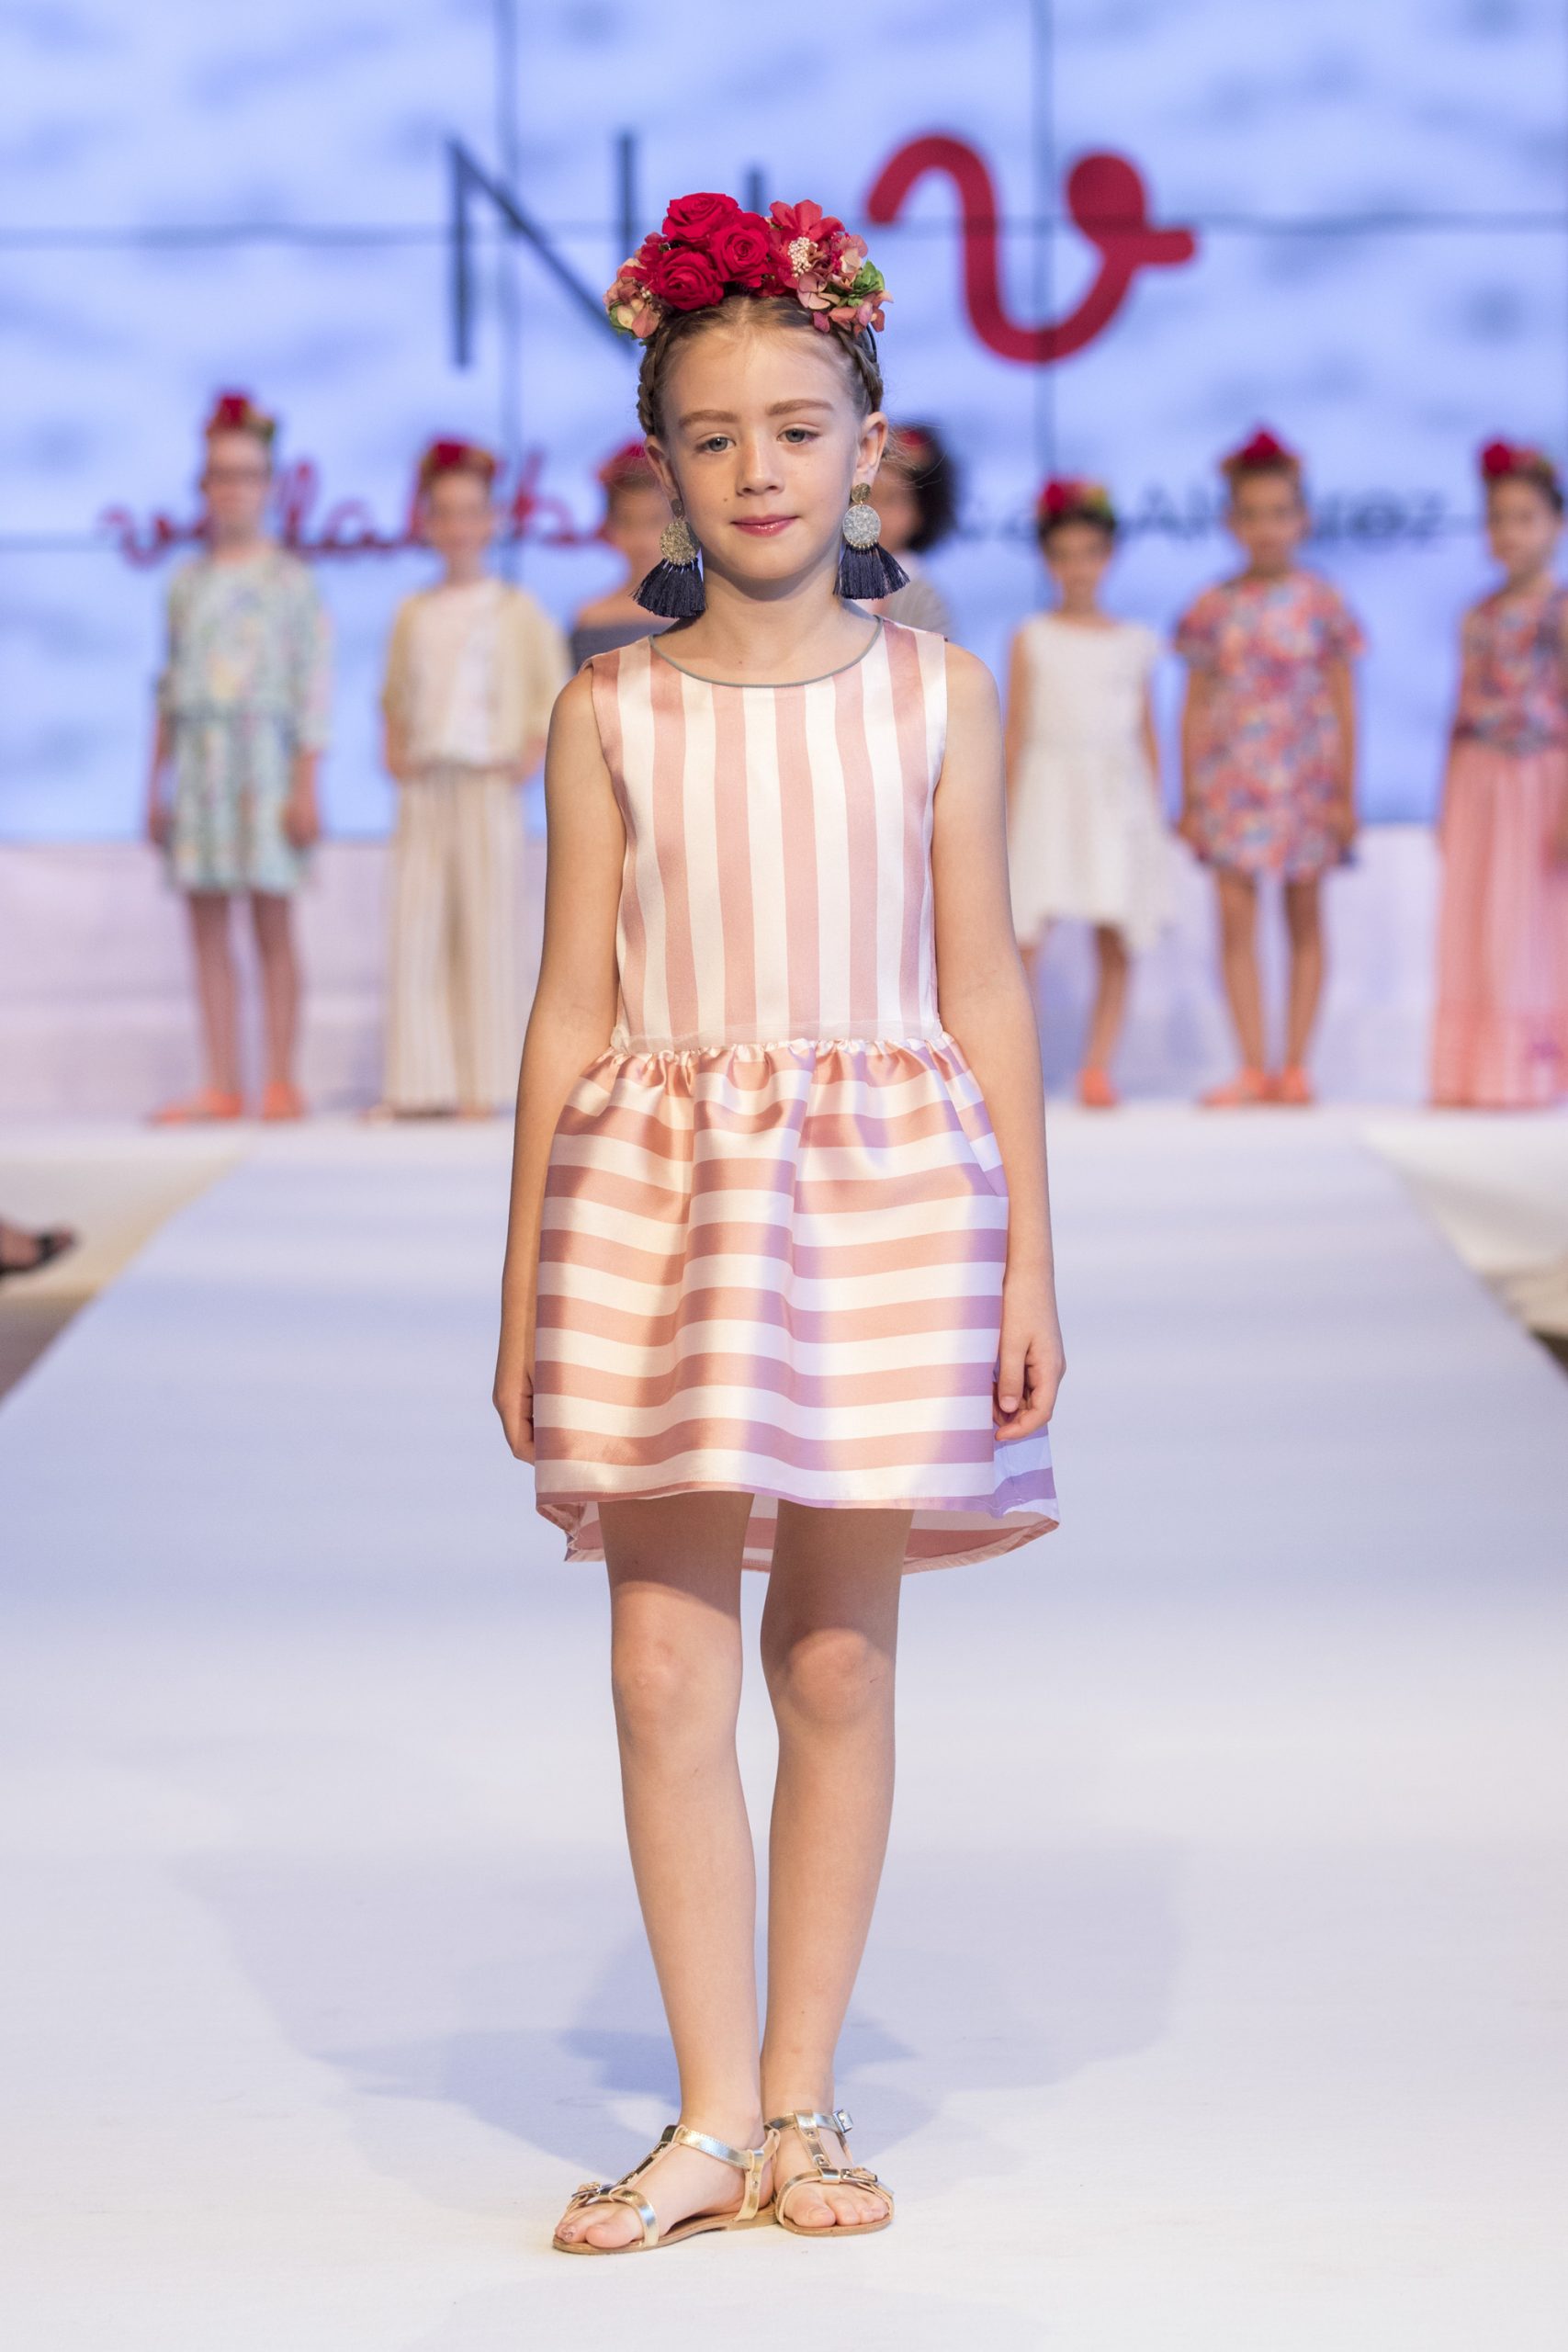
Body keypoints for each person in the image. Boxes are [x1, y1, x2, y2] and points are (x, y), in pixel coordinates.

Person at [493, 189, 1062, 2255]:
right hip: (655, 1200)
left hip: (887, 1194)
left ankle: (803, 2099)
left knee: (829, 1651)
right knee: (660, 1665)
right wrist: (519, 1287)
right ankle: (709, 2114)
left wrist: (1030, 1254)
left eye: (798, 429)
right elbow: (569, 1006)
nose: (758, 469)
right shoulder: (608, 709)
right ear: (661, 460)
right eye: (715, 434)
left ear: (867, 446)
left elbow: (982, 975)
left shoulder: (937, 695)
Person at [145, 390, 331, 1124]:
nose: (233, 488)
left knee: (271, 923)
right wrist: (155, 783)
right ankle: (221, 1082)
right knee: (206, 926)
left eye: (247, 474)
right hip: (200, 763)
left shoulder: (291, 580)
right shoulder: (185, 583)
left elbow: (313, 687)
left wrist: (305, 785)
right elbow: (167, 687)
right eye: (221, 474)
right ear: (204, 485)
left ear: (269, 484)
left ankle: (281, 1078)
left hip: (265, 764)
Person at [375, 439, 569, 1119]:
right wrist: (394, 748)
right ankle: (417, 1083)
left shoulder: (515, 608)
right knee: (418, 926)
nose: (458, 527)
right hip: (427, 782)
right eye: (444, 513)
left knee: (488, 928)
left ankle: (487, 1083)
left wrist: (531, 751)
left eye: (470, 512)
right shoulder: (413, 611)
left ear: (492, 521)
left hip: (488, 781)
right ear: (426, 522)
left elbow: (550, 688)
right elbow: (394, 693)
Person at [1174, 427, 1364, 1107]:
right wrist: (1190, 795)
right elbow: (1194, 706)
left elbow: (1343, 702)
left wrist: (1345, 794)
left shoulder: (1323, 602)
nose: (1266, 528)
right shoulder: (1213, 606)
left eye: (1280, 512)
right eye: (1251, 514)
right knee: (1235, 919)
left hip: (1306, 779)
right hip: (1232, 783)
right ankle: (1253, 1065)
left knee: (1305, 916)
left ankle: (1297, 1066)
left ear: (1303, 518)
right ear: (1231, 522)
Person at [1004, 478, 1168, 1108]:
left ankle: (1097, 1066)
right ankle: (1018, 1061)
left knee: (1115, 928)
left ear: (1109, 556)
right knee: (1024, 932)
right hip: (1046, 789)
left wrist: (1155, 813)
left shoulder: (1134, 641)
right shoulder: (1031, 635)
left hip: (1113, 794)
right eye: (1064, 556)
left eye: (1090, 554)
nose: (1077, 568)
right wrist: (1002, 807)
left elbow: (1146, 731)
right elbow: (1015, 728)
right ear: (1047, 561)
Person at [1431, 441, 1568, 1108]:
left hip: (1537, 779)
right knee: (1475, 921)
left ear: (1555, 525)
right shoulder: (1477, 614)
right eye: (1497, 519)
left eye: (1525, 518)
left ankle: (1528, 1071)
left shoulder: (1558, 610)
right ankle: (1475, 1071)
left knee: (1528, 924)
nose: (1509, 532)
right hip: (1477, 780)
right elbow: (1459, 710)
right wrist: (1444, 798)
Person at [569, 441, 672, 668]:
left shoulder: (711, 614)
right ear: (609, 526)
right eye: (628, 523)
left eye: (655, 521)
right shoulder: (592, 619)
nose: (643, 540)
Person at [866, 421, 958, 635]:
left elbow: (937, 654)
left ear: (920, 513)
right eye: (865, 496)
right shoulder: (825, 580)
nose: (873, 512)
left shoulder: (922, 595)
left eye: (890, 500)